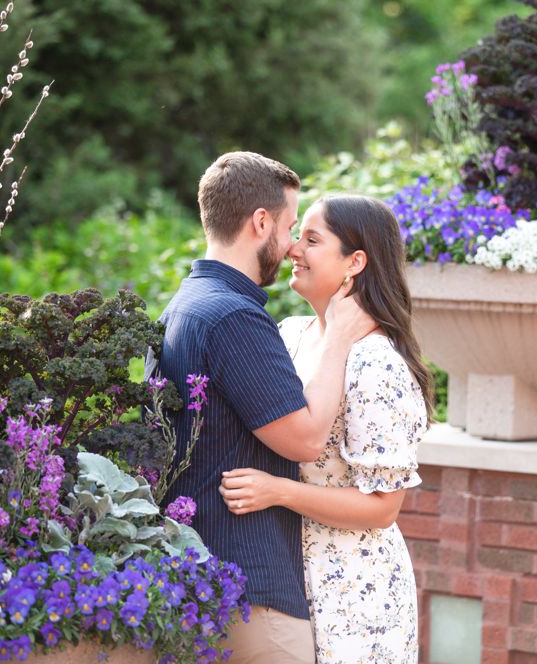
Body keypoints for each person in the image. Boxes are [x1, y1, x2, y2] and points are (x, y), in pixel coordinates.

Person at [153, 151, 373, 663]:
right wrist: (339, 336)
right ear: (260, 222)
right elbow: (306, 440)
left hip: (198, 576)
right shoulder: (234, 317)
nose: (294, 243)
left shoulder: (184, 302)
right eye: (292, 226)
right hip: (250, 588)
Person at [220, 195, 430, 662]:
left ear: (355, 262)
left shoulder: (379, 365)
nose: (294, 249)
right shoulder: (290, 333)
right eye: (299, 235)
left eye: (312, 240)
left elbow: (382, 508)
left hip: (356, 591)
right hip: (285, 569)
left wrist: (278, 492)